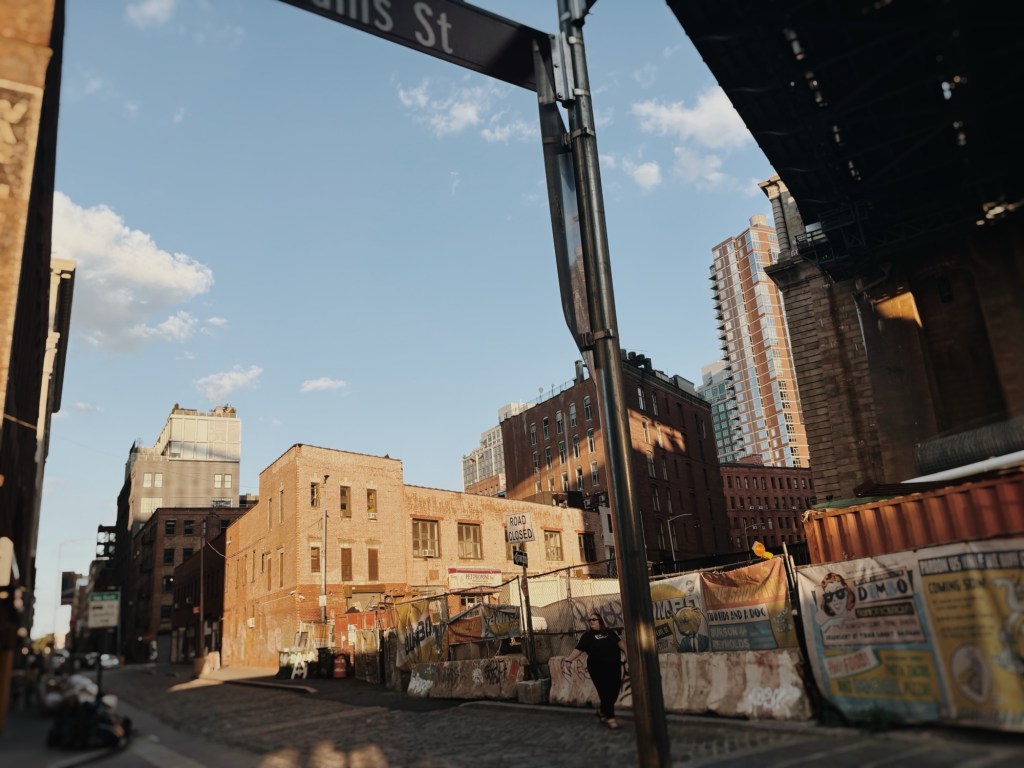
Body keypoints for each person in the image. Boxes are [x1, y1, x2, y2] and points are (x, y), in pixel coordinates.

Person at [561, 613, 627, 729]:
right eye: (590, 620)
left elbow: (619, 642)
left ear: (600, 620)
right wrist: (568, 660)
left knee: (614, 692)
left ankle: (602, 711)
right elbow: (579, 649)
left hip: (614, 666)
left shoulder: (609, 632)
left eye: (594, 619)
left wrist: (627, 652)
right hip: (597, 668)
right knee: (605, 692)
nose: (591, 621)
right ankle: (610, 717)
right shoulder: (587, 636)